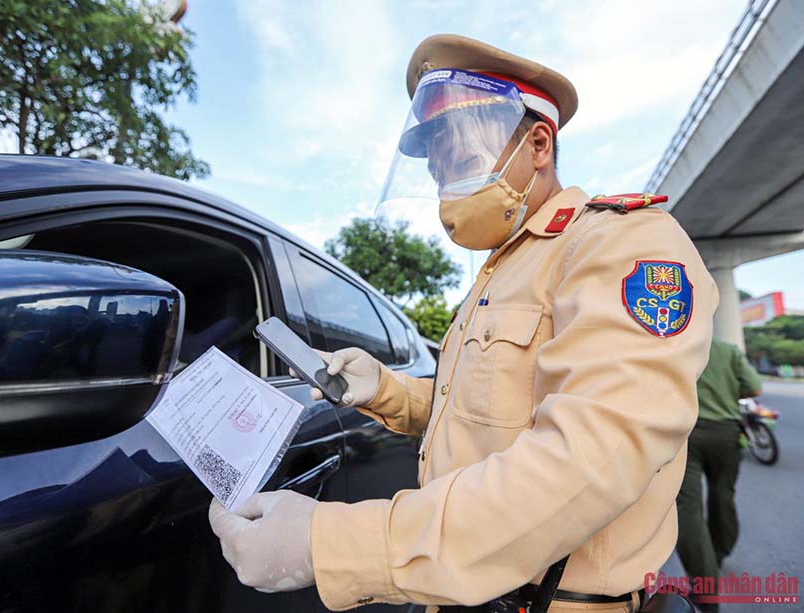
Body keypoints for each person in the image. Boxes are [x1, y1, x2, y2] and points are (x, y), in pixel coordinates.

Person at [208, 34, 718, 612]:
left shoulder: (618, 242)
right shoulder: (498, 271)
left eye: (465, 161)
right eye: (439, 171)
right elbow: (493, 418)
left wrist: (331, 542)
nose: (448, 187)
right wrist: (388, 391)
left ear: (539, 143)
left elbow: (593, 457)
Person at [676, 338, 762, 611]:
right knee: (723, 493)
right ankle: (720, 551)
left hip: (688, 433)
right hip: (726, 434)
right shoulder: (729, 351)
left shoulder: (680, 346)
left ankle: (705, 587)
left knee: (687, 507)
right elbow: (754, 387)